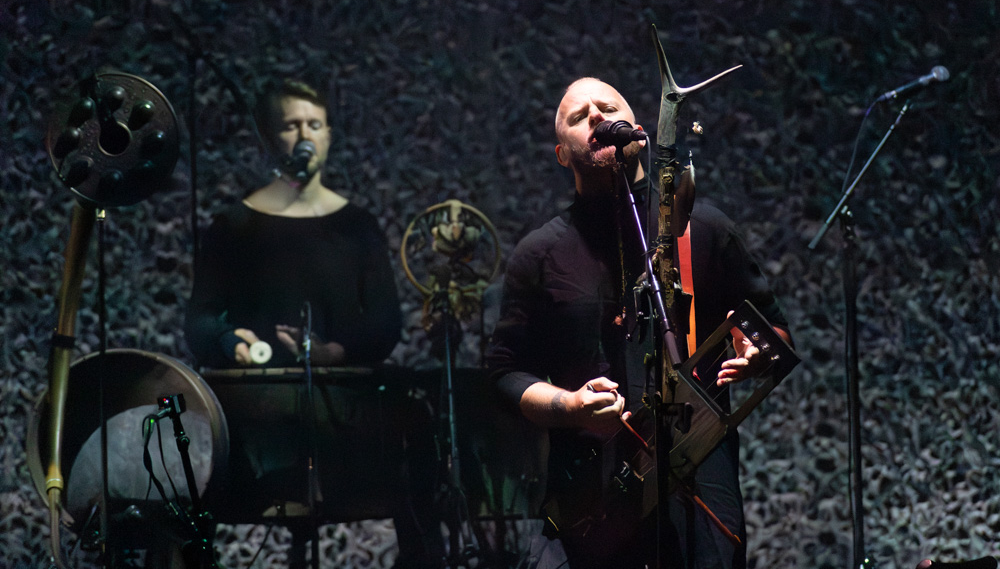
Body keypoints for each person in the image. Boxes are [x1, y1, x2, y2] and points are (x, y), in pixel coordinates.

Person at [487, 77, 791, 569]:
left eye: (607, 107)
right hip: (591, 497)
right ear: (562, 154)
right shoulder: (539, 252)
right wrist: (569, 406)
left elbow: (776, 333)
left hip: (698, 484)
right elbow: (503, 373)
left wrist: (757, 355)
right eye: (578, 116)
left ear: (640, 133)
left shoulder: (704, 229)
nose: (596, 117)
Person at [184, 79, 440, 568]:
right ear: (268, 137)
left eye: (314, 124)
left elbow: (386, 323)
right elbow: (197, 319)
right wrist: (227, 340)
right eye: (290, 125)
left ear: (328, 135)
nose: (305, 135)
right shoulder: (234, 227)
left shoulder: (357, 226)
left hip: (343, 410)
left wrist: (335, 352)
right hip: (253, 416)